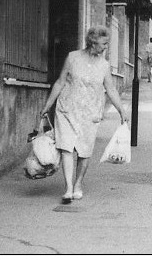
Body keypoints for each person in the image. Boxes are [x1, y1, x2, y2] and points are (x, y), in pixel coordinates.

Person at [40, 25, 130, 204]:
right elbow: (60, 82)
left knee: (84, 151)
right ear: (92, 42)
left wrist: (121, 109)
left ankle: (78, 184)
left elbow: (110, 89)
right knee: (66, 148)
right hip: (67, 109)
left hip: (90, 113)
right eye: (104, 44)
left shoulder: (104, 65)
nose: (106, 47)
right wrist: (47, 105)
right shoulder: (73, 57)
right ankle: (68, 188)